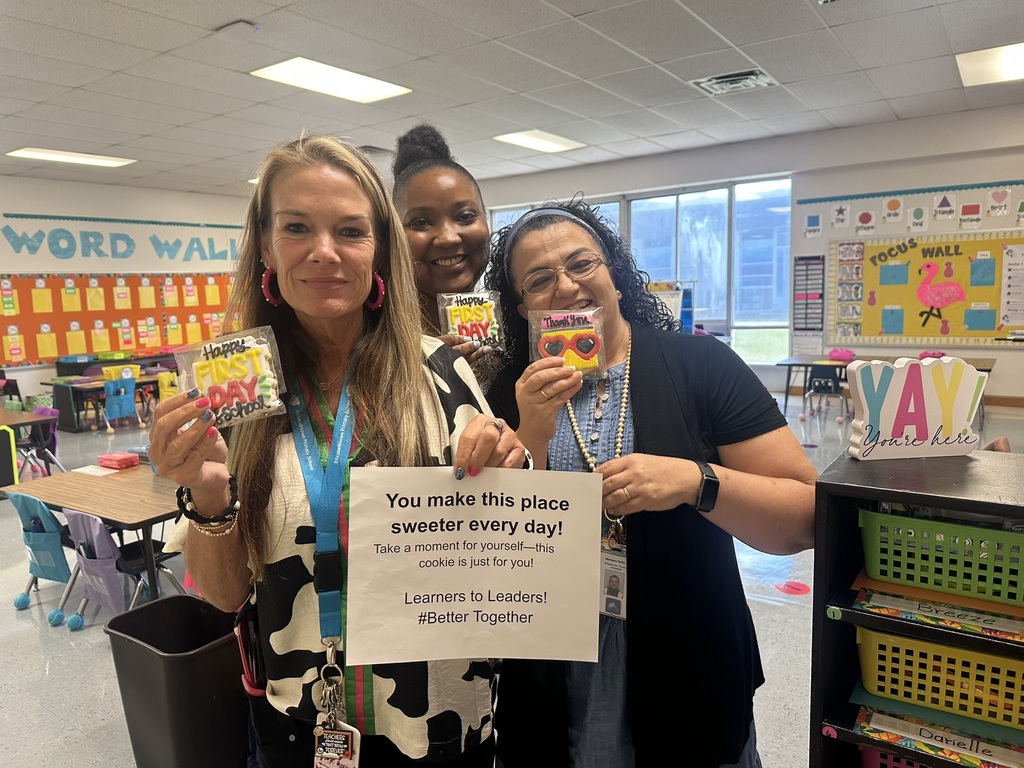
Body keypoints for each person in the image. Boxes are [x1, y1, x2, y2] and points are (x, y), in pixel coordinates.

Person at [148, 134, 528, 767]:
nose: (324, 252)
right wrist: (209, 492)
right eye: (297, 227)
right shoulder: (240, 392)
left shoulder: (441, 374)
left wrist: (507, 468)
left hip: (438, 720)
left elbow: (502, 543)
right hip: (297, 721)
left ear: (379, 250)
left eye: (350, 231)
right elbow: (224, 596)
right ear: (266, 243)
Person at [482, 199, 819, 768]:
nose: (566, 286)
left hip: (688, 657)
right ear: (522, 307)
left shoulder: (700, 366)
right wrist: (530, 434)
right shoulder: (504, 395)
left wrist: (698, 481)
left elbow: (808, 515)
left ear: (613, 272)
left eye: (582, 264)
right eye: (540, 280)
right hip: (554, 674)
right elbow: (487, 550)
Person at [391, 123, 500, 386]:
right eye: (420, 223)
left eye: (465, 216)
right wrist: (417, 380)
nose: (449, 237)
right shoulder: (378, 343)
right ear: (393, 234)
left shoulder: (524, 326)